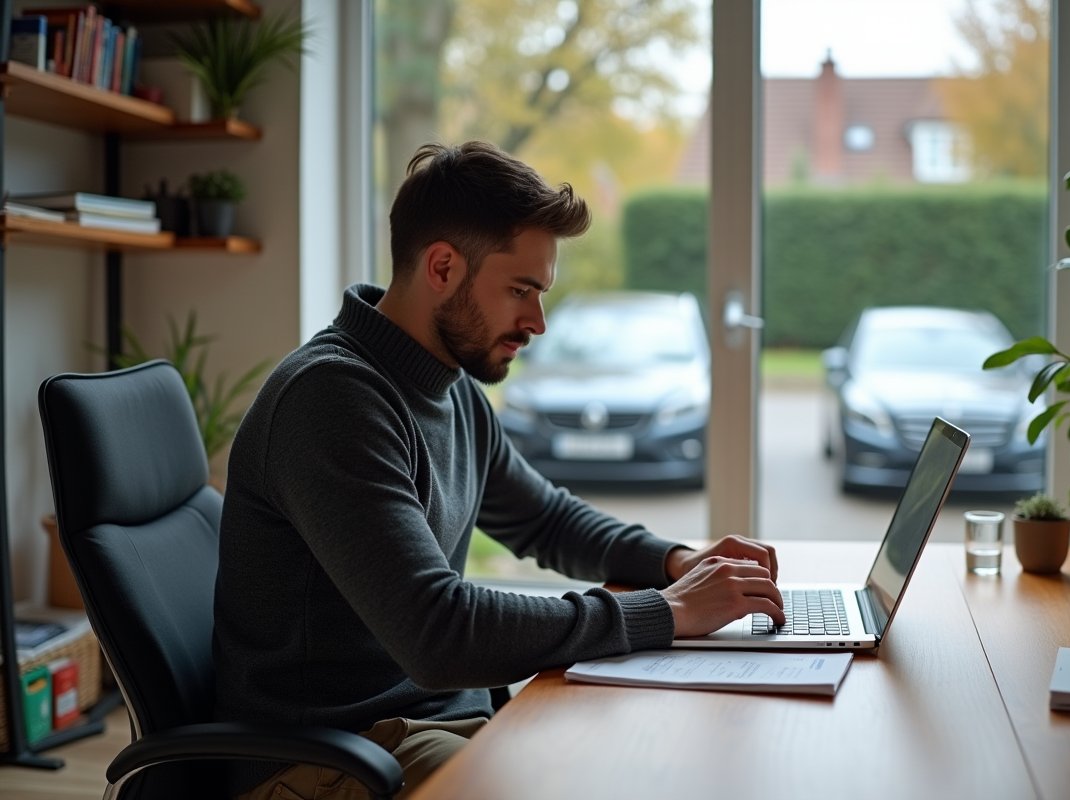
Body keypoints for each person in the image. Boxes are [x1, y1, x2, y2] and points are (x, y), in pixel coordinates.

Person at [213, 140, 786, 800]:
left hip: (428, 723)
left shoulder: (448, 387)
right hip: (332, 754)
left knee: (650, 752)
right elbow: (438, 633)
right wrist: (667, 612)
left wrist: (676, 562)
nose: (537, 322)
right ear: (442, 267)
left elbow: (546, 520)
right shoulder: (332, 401)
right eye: (520, 290)